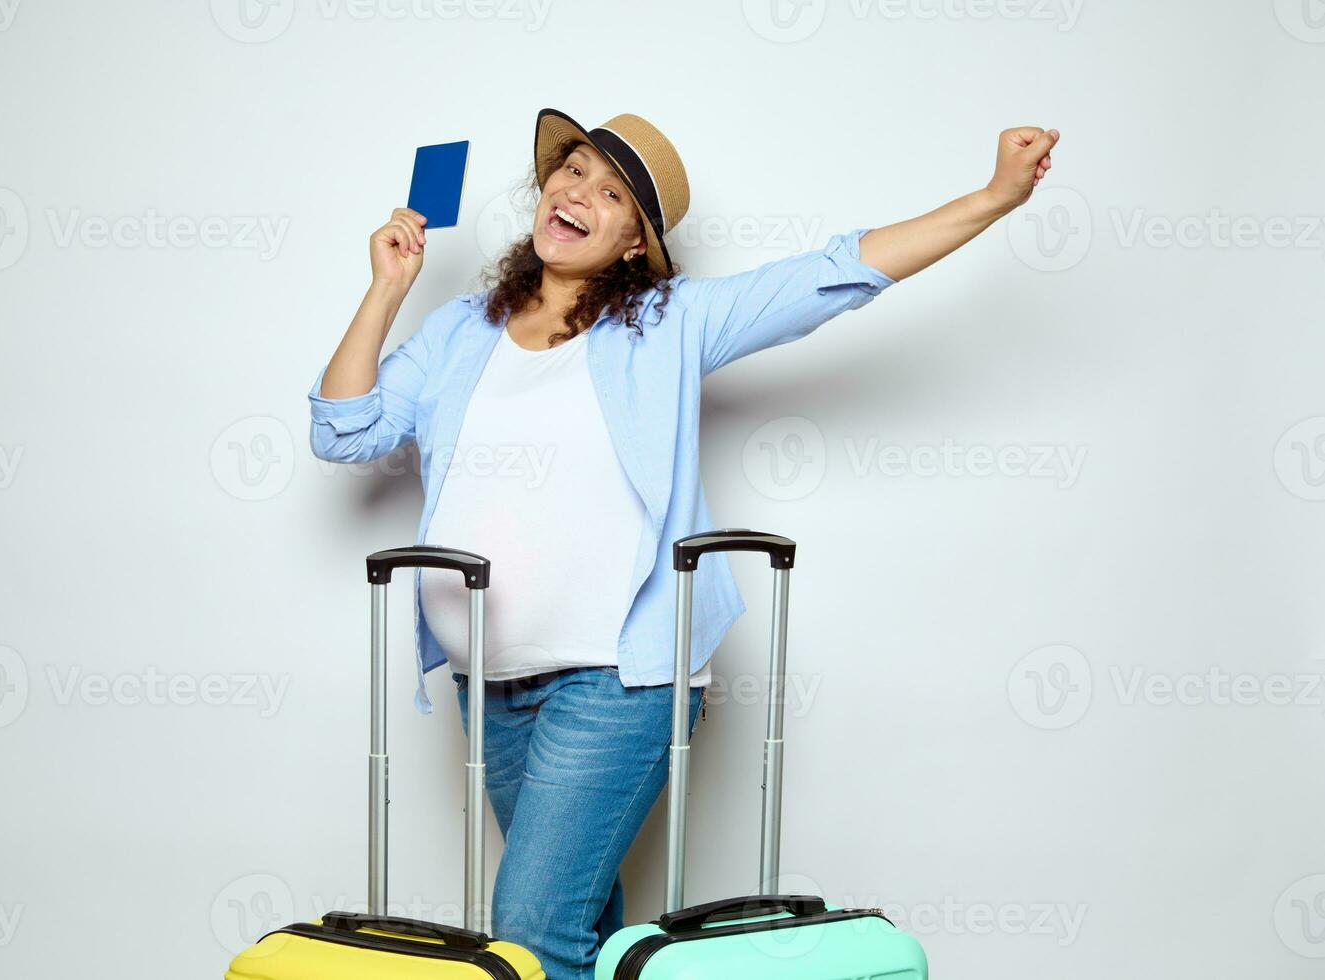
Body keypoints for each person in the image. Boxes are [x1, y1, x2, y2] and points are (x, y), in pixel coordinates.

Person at [309, 108, 1059, 979]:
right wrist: (387, 291)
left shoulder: (671, 322)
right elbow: (344, 431)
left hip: (621, 679)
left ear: (637, 242)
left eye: (612, 191)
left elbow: (836, 273)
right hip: (491, 680)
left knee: (527, 932)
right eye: (575, 170)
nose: (579, 191)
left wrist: (995, 197)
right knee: (575, 923)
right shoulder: (458, 332)